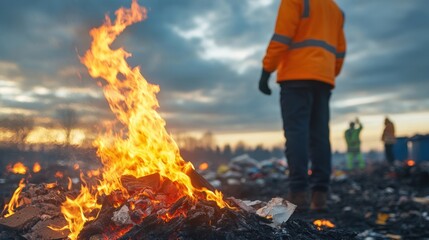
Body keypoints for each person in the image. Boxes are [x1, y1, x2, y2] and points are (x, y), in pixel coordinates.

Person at [258, 0, 346, 211]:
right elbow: (340, 51)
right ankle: (320, 196)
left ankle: (298, 194)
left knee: (296, 134)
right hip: (323, 79)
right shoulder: (335, 9)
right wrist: (327, 72)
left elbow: (282, 37)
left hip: (295, 77)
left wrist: (266, 71)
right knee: (320, 136)